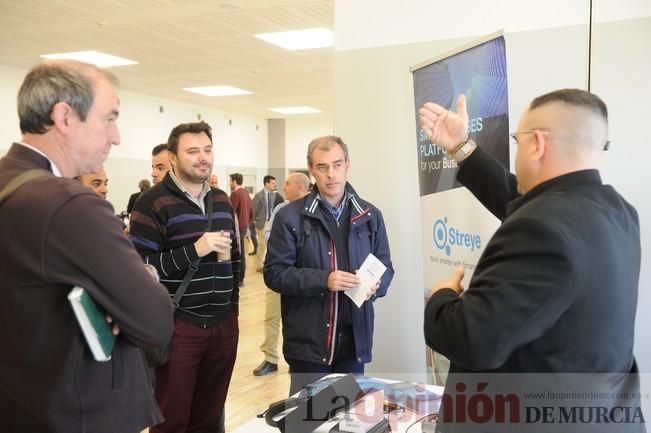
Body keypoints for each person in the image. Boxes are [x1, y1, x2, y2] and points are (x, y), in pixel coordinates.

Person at [419, 89, 642, 431]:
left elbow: (472, 341)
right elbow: (524, 202)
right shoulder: (618, 212)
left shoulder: (540, 229)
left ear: (536, 143)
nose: (517, 147)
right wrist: (461, 146)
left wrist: (441, 298)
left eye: (517, 139)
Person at [0, 60, 174, 433]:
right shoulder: (70, 205)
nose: (116, 137)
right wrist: (129, 291)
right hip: (77, 414)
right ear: (64, 117)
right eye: (108, 119)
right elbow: (155, 321)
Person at [129, 121, 239, 433]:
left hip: (223, 325)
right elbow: (140, 269)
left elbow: (236, 262)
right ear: (174, 158)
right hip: (180, 325)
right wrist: (195, 249)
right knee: (171, 420)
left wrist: (233, 312)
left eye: (207, 149)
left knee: (210, 418)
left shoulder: (221, 199)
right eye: (193, 151)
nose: (202, 157)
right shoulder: (151, 202)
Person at [264, 136, 394, 395]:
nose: (331, 174)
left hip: (356, 341)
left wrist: (377, 286)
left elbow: (386, 266)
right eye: (322, 167)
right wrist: (324, 280)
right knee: (307, 422)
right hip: (309, 346)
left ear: (347, 164)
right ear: (311, 169)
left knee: (350, 420)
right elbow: (275, 274)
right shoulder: (290, 217)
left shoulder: (370, 215)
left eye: (337, 165)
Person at [253, 172, 311, 377]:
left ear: (299, 187)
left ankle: (301, 359)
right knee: (271, 316)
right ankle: (270, 357)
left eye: (287, 183)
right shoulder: (281, 209)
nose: (283, 187)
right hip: (280, 272)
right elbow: (268, 234)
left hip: (305, 278)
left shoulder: (314, 210)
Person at [252, 175, 283, 271]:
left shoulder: (274, 195)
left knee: (269, 244)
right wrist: (254, 221)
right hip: (261, 223)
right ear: (266, 183)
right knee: (262, 245)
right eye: (273, 183)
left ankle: (265, 263)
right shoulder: (258, 195)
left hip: (271, 222)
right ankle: (259, 265)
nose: (275, 185)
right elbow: (253, 209)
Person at [229, 172, 254, 284]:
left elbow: (230, 213)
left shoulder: (235, 194)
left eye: (230, 181)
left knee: (236, 253)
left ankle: (238, 278)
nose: (230, 183)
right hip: (244, 227)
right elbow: (252, 213)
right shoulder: (246, 193)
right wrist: (247, 224)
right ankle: (241, 278)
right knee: (242, 253)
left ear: (234, 181)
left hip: (236, 229)